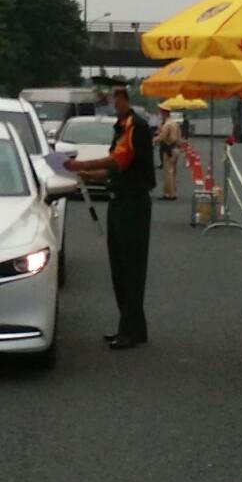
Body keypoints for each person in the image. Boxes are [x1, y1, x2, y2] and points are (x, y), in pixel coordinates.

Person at [68, 81, 154, 349]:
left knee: (130, 268)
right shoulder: (122, 126)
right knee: (119, 267)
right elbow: (114, 171)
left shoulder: (134, 126)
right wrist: (87, 175)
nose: (110, 103)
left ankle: (128, 330)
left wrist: (81, 164)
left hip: (132, 204)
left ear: (122, 98)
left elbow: (119, 160)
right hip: (120, 201)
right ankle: (134, 327)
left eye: (112, 99)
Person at [156, 106, 184, 201]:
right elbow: (179, 136)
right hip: (176, 149)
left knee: (168, 173)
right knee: (173, 172)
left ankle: (169, 194)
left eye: (161, 113)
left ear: (164, 113)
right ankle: (173, 191)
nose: (160, 115)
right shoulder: (175, 123)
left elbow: (162, 137)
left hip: (169, 149)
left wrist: (153, 140)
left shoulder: (167, 124)